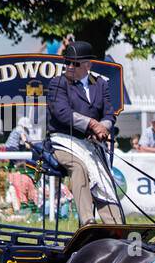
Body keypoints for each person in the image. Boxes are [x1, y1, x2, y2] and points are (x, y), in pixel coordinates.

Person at [45, 39, 123, 225]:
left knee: (103, 178)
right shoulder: (58, 84)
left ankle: (116, 225)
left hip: (91, 144)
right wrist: (92, 124)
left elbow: (109, 114)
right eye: (67, 62)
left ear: (88, 65)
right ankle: (88, 221)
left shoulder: (100, 84)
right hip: (63, 142)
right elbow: (63, 113)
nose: (70, 67)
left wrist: (103, 127)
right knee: (78, 167)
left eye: (75, 63)